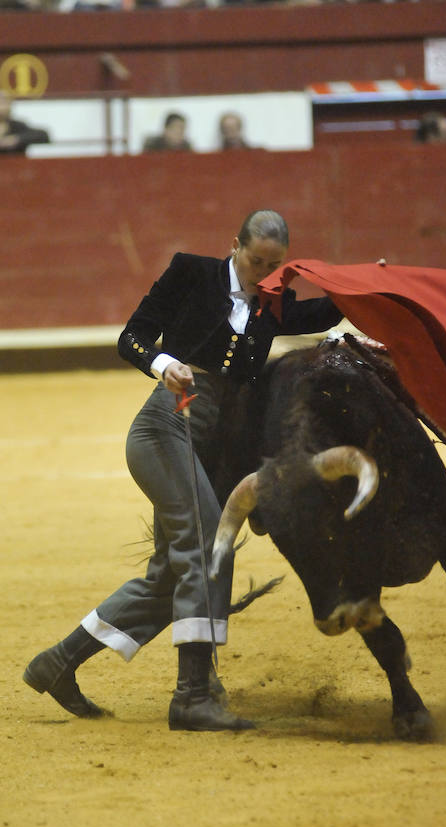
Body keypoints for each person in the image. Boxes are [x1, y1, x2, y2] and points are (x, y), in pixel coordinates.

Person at [23, 209, 342, 732]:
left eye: (274, 265)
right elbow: (132, 336)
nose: (261, 272)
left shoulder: (273, 306)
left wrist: (375, 289)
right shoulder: (192, 273)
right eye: (255, 259)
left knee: (169, 576)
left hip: (202, 447)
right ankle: (193, 696)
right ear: (234, 245)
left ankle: (58, 663)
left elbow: (325, 315)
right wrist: (161, 362)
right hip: (163, 428)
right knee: (209, 547)